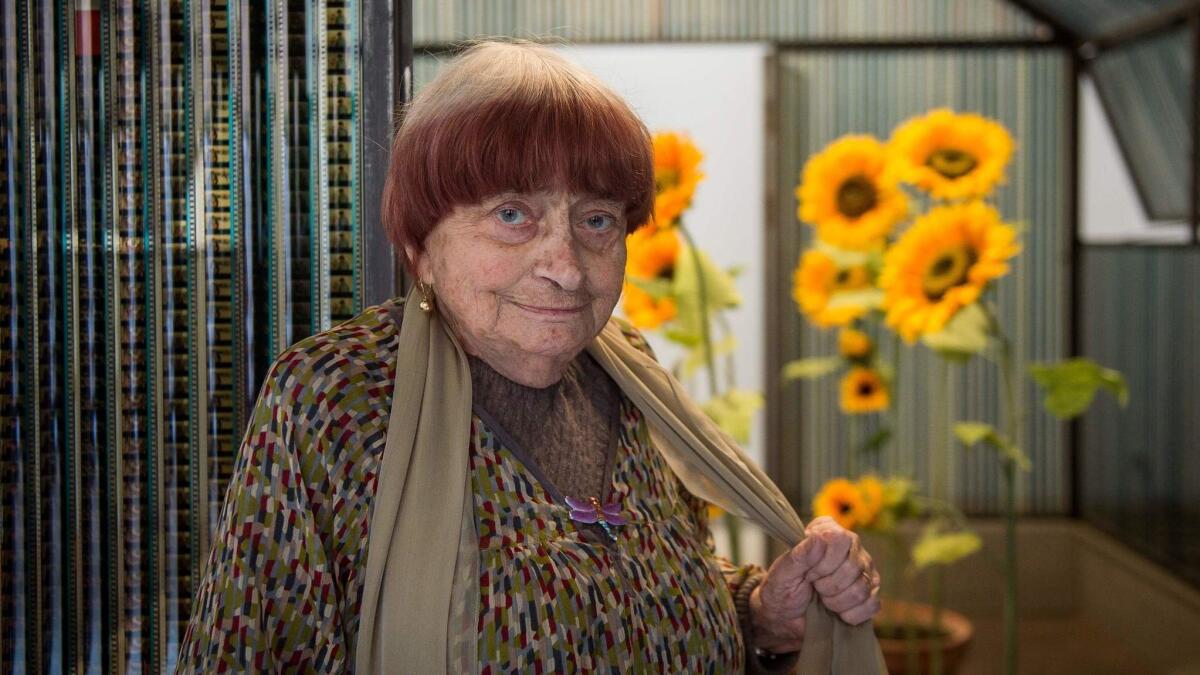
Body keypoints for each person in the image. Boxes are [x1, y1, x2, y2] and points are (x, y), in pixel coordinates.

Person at [176, 39, 883, 674]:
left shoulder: (624, 371)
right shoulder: (337, 399)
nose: (567, 268)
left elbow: (648, 606)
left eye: (596, 219)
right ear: (423, 242)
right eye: (513, 214)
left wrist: (761, 612)